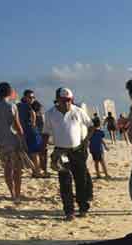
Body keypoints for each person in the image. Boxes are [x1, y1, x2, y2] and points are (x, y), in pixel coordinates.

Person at [41, 87, 94, 221]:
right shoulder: (50, 114)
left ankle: (83, 207)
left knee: (81, 180)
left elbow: (91, 126)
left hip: (77, 151)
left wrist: (85, 142)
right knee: (65, 182)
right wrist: (43, 149)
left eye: (69, 100)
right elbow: (46, 132)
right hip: (61, 152)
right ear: (57, 100)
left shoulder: (78, 111)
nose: (66, 103)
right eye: (64, 100)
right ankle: (69, 211)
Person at [0, 82, 28, 203]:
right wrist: (23, 141)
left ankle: (11, 193)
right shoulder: (12, 106)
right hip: (13, 141)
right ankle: (17, 194)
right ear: (10, 92)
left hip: (1, 143)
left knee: (7, 169)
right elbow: (17, 125)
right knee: (17, 170)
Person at [17, 90, 45, 177]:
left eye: (33, 97)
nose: (32, 99)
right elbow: (33, 116)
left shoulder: (19, 106)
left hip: (23, 132)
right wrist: (33, 124)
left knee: (28, 153)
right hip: (31, 132)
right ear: (25, 97)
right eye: (30, 97)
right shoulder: (29, 107)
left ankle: (35, 171)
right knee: (35, 153)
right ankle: (37, 172)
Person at [32, 100, 49, 175]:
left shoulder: (32, 114)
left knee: (36, 155)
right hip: (40, 136)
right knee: (42, 155)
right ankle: (43, 170)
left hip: (36, 136)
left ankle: (36, 170)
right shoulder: (40, 115)